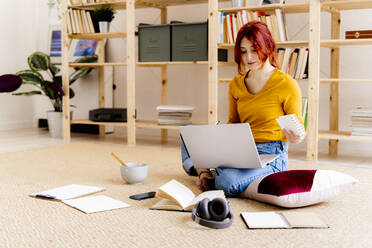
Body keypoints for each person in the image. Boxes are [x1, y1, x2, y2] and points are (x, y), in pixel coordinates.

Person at [181, 21, 304, 197]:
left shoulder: (286, 84)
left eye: (254, 50)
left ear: (267, 46)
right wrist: (218, 139)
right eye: (244, 51)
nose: (248, 58)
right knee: (188, 134)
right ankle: (206, 170)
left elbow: (297, 125)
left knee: (227, 182)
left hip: (271, 154)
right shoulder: (236, 84)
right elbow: (234, 123)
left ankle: (206, 171)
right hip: (241, 148)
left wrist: (296, 136)